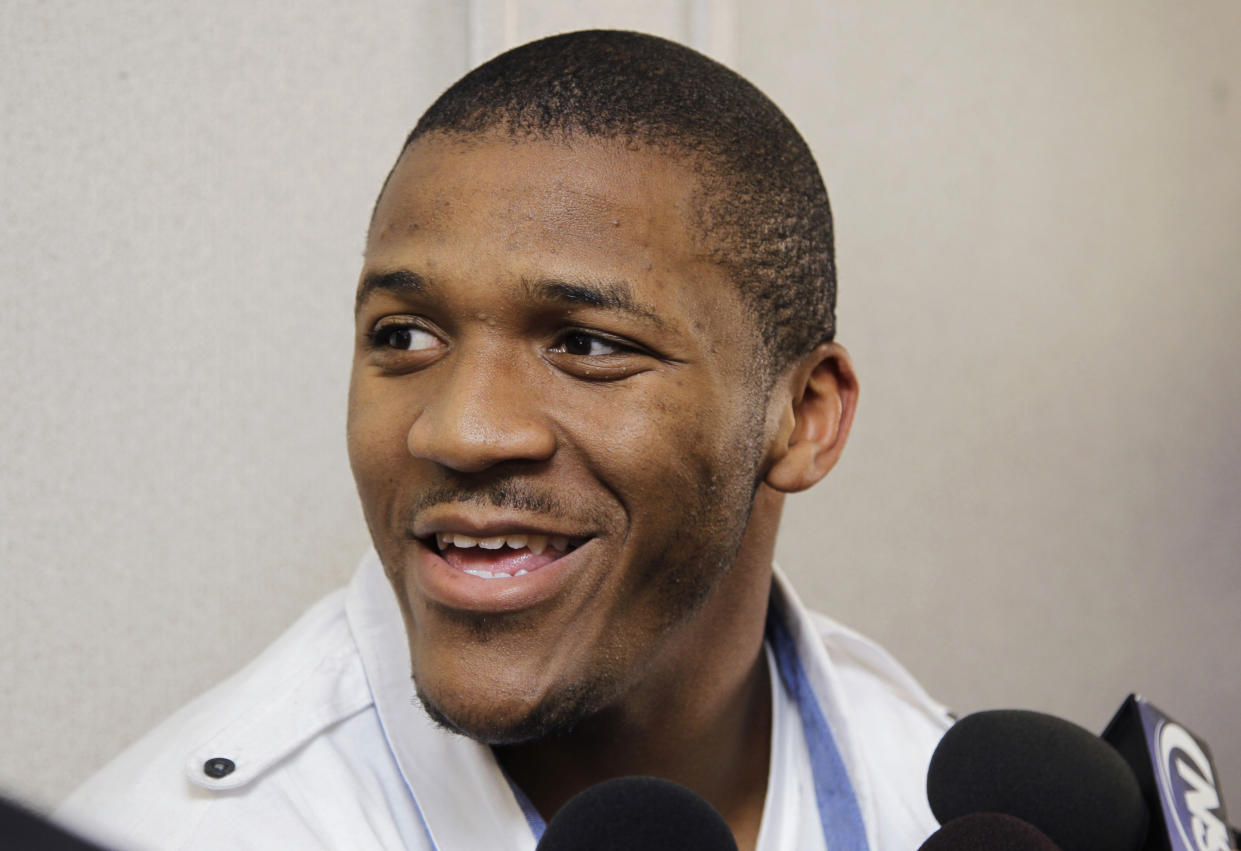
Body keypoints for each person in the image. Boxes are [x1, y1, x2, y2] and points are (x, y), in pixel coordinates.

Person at [57, 30, 951, 851]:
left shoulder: (928, 789)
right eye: (404, 335)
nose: (458, 428)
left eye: (587, 345)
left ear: (802, 417)